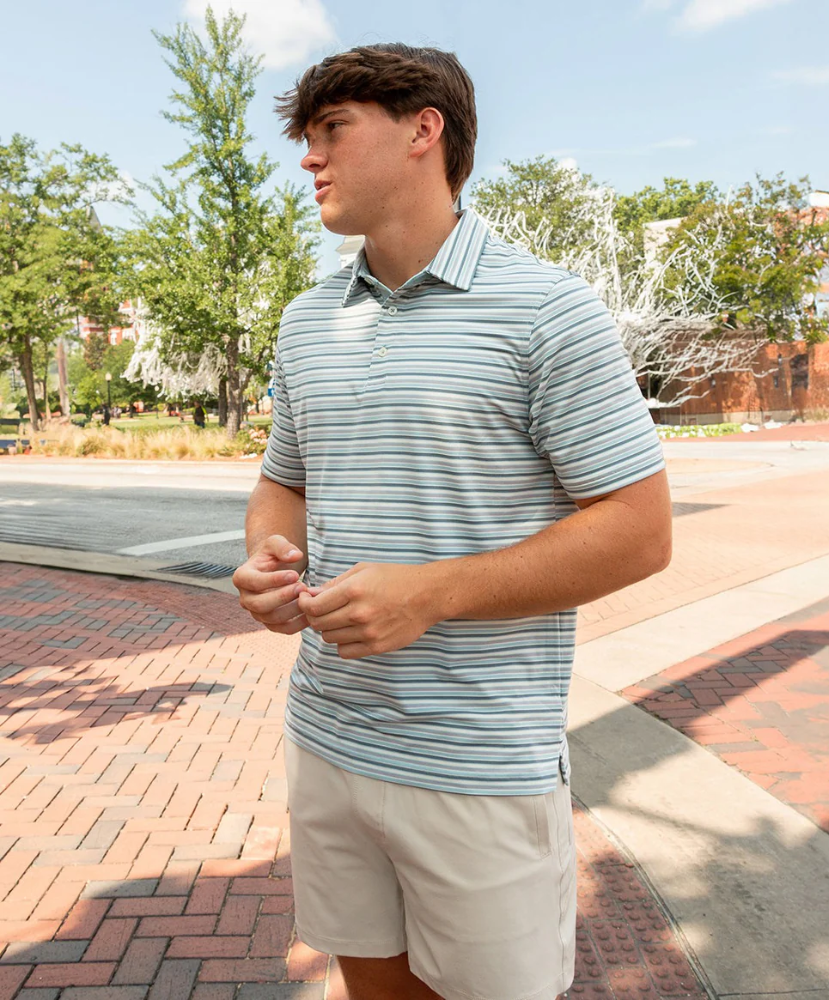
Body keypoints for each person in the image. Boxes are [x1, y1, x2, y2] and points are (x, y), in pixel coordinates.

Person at [233, 44, 672, 1000]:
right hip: (328, 735)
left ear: (423, 129)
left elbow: (640, 528)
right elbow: (284, 481)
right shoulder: (308, 319)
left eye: (331, 131)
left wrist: (434, 594)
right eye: (306, 139)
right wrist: (267, 551)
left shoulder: (548, 310)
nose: (309, 159)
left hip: (476, 759)